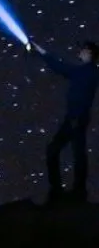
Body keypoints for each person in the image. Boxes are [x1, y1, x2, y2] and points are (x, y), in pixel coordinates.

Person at [30, 40, 99, 204]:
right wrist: (40, 51)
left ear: (89, 53)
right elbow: (60, 66)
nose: (80, 53)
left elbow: (61, 67)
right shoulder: (83, 71)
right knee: (68, 152)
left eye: (82, 50)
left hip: (77, 117)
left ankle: (68, 191)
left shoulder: (89, 72)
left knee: (71, 152)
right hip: (75, 118)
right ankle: (74, 191)